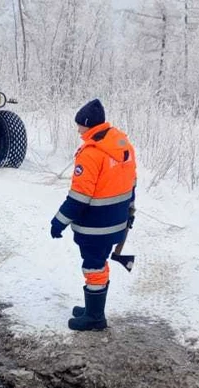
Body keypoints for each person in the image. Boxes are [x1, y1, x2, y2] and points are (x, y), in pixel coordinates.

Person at [51, 99, 137, 331]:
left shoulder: (92, 153)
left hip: (95, 225)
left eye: (80, 126)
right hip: (116, 221)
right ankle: (93, 309)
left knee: (93, 266)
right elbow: (132, 182)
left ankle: (95, 318)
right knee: (99, 264)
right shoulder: (120, 143)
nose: (78, 130)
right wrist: (130, 211)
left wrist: (58, 222)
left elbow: (80, 195)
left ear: (89, 125)